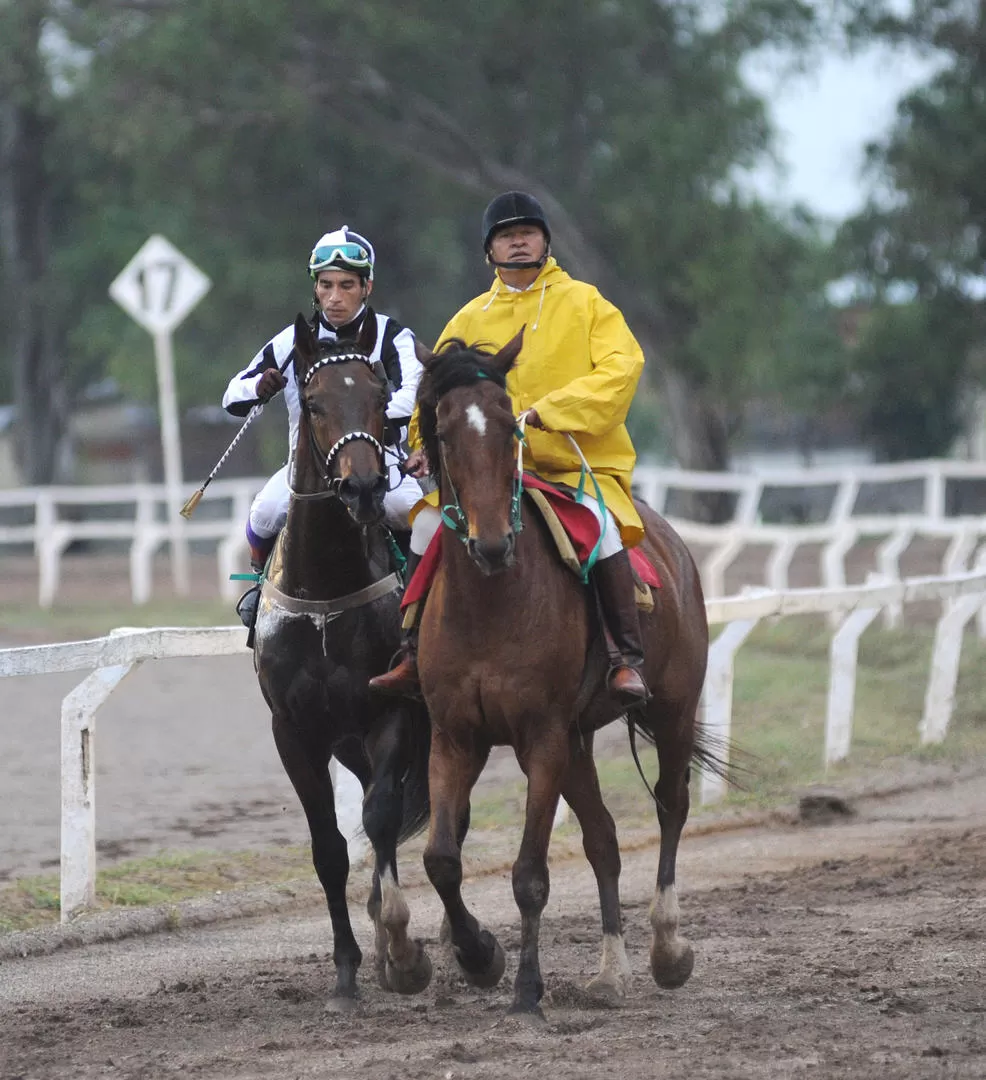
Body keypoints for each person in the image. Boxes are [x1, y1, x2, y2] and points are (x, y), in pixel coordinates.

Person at [369, 191, 649, 705]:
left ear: (545, 241)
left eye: (528, 232)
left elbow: (621, 369)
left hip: (572, 469)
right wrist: (425, 446)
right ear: (488, 250)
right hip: (485, 477)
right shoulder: (468, 319)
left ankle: (624, 661)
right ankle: (411, 653)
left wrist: (548, 412)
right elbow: (431, 398)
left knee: (602, 529)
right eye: (505, 234)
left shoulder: (587, 303)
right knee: (427, 524)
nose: (518, 241)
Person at [223, 226, 423, 627]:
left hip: (381, 459)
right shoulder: (292, 341)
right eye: (326, 285)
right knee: (265, 512)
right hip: (310, 467)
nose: (335, 297)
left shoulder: (394, 336)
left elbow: (412, 393)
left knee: (410, 509)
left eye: (347, 285)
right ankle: (260, 589)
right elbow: (231, 395)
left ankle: (421, 600)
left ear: (367, 286)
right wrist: (259, 385)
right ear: (315, 288)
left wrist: (358, 424)